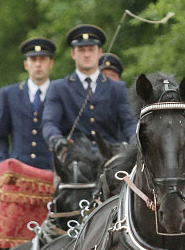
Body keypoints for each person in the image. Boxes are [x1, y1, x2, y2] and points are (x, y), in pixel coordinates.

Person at [43, 24, 136, 155]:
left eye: (91, 49)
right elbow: (50, 122)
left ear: (99, 52)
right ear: (73, 54)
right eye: (81, 50)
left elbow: (129, 122)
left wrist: (135, 140)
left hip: (110, 157)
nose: (86, 55)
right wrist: (56, 139)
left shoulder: (117, 88)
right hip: (74, 158)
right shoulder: (58, 88)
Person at [0, 37, 56, 170]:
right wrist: (3, 166)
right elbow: (0, 137)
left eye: (43, 59)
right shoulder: (9, 94)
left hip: (53, 172)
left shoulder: (61, 93)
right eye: (33, 59)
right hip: (18, 172)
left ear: (51, 63)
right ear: (26, 64)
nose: (38, 64)